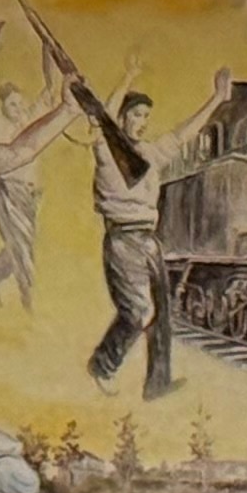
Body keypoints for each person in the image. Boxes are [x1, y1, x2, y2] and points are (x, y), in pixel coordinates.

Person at [81, 91, 180, 395]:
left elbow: (182, 134)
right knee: (139, 313)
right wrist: (127, 77)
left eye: (146, 116)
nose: (142, 122)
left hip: (149, 239)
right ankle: (102, 365)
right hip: (123, 238)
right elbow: (102, 117)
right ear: (121, 118)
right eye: (136, 114)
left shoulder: (150, 153)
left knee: (161, 318)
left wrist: (217, 99)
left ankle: (158, 385)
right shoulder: (104, 147)